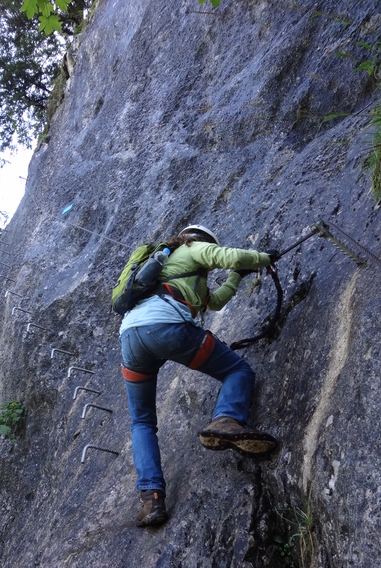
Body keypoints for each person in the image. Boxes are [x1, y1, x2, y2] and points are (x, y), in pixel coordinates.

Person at [119, 224, 279, 527]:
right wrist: (261, 259)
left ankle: (151, 500)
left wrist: (237, 276)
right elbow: (227, 256)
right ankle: (226, 418)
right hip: (167, 329)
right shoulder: (191, 249)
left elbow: (214, 301)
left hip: (130, 340)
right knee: (238, 370)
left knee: (142, 421)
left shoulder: (166, 269)